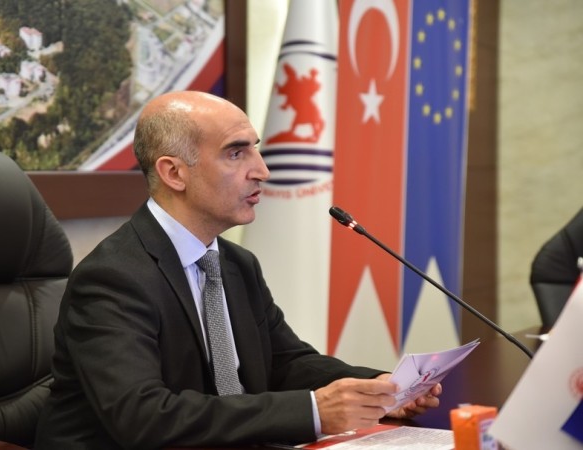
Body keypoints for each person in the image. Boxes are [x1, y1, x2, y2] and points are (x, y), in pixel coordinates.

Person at [34, 91, 441, 449]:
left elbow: (285, 362)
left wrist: (382, 389)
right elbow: (142, 416)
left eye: (255, 150)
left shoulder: (235, 263)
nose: (262, 170)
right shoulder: (113, 278)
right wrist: (313, 411)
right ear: (174, 173)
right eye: (236, 153)